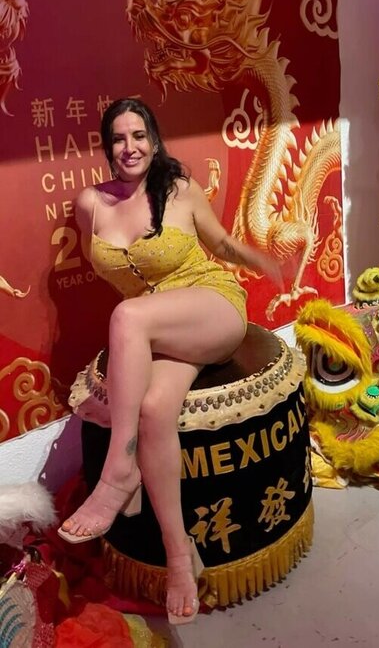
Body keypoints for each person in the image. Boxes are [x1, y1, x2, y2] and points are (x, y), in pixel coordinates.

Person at [58, 97, 282, 624]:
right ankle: (181, 556)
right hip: (156, 329)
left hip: (210, 307)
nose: (129, 147)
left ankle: (119, 473)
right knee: (155, 408)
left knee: (126, 316)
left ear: (154, 141)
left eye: (139, 135)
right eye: (118, 138)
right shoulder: (90, 204)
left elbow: (219, 243)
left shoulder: (179, 189)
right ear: (107, 147)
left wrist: (261, 260)